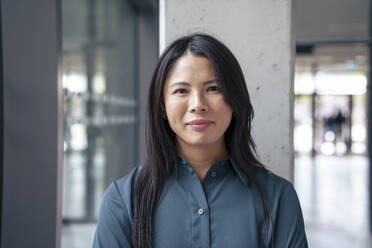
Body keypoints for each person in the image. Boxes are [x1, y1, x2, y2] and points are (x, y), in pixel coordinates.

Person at [93, 33, 308, 248]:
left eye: (213, 88)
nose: (198, 104)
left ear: (235, 100)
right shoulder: (123, 199)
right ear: (162, 106)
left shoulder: (278, 198)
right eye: (181, 91)